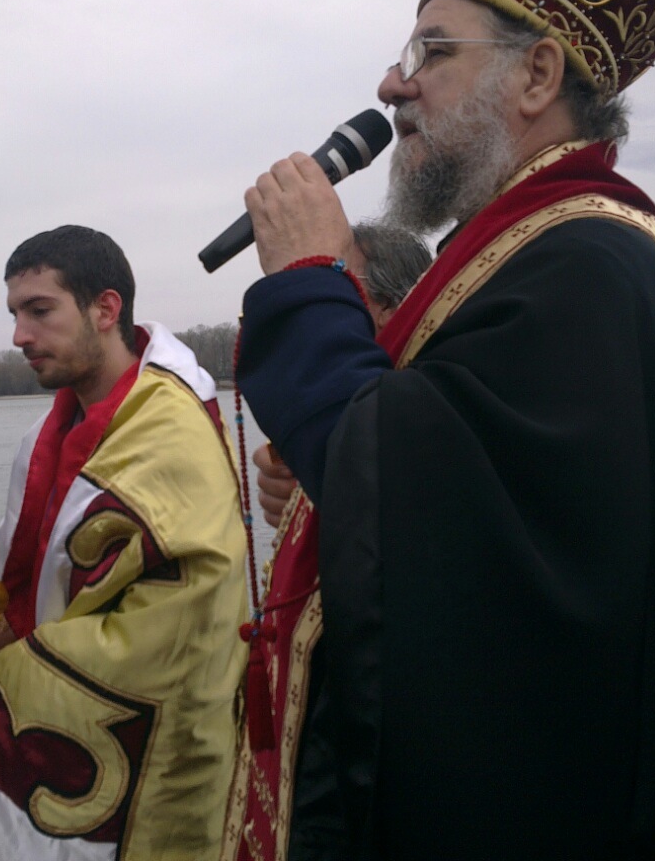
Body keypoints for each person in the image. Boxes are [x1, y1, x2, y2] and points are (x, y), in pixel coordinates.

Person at [232, 0, 655, 857]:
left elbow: (418, 514)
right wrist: (322, 479)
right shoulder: (531, 256)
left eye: (433, 51)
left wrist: (310, 282)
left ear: (537, 76)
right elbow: (463, 495)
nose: (393, 83)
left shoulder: (583, 265)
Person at [0, 225, 248, 860]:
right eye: (14, 314)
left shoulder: (172, 437)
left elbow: (181, 633)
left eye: (39, 311)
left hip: (163, 768)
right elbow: (35, 595)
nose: (19, 335)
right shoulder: (47, 436)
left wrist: (4, 685)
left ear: (105, 309)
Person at [222, 223, 429, 860]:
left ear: (391, 309)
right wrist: (304, 497)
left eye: (337, 287)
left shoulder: (420, 418)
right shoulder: (372, 414)